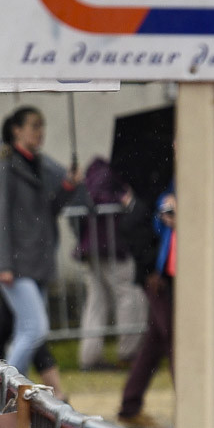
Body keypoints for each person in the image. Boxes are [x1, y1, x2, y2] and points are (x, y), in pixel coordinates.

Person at [118, 175, 214, 426]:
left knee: (164, 341)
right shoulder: (174, 183)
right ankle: (180, 408)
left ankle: (136, 405)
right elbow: (160, 228)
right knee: (171, 340)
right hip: (166, 277)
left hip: (193, 276)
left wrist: (188, 223)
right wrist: (165, 213)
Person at [0, 106, 78, 394]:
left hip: (36, 261)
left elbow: (46, 212)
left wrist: (66, 188)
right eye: (34, 125)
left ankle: (16, 399)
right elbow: (0, 216)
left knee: (24, 331)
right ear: (17, 130)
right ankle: (3, 391)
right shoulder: (5, 167)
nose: (40, 132)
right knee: (35, 328)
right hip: (16, 264)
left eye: (42, 126)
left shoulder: (38, 166)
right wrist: (3, 264)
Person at [73, 157, 147, 368]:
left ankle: (89, 357)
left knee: (96, 301)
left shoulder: (94, 173)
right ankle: (128, 352)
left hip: (91, 248)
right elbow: (108, 203)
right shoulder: (114, 177)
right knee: (128, 295)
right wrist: (126, 200)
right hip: (112, 248)